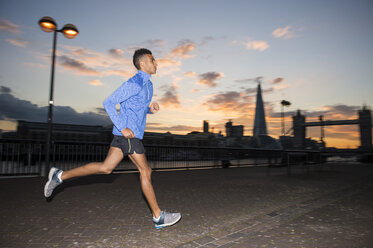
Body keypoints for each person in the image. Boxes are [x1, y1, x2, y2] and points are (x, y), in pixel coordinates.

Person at [44, 48, 181, 229]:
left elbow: (135, 107)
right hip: (128, 135)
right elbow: (108, 102)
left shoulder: (148, 85)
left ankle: (60, 176)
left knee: (106, 168)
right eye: (152, 59)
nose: (156, 63)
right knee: (145, 171)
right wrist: (122, 127)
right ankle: (158, 216)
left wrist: (149, 109)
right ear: (142, 64)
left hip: (127, 135)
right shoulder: (135, 82)